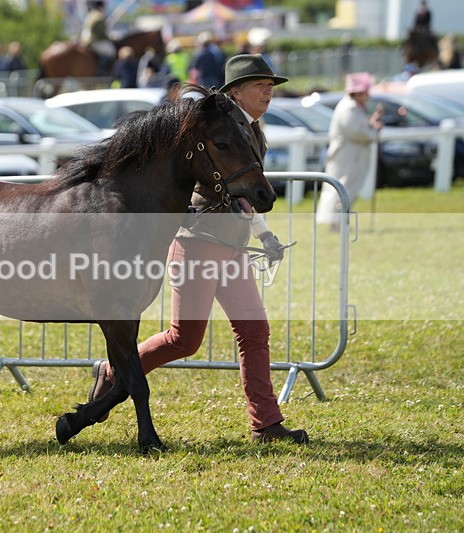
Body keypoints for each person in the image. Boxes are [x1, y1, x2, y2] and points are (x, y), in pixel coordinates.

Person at [87, 54, 308, 444]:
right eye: (260, 85)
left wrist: (264, 234)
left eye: (271, 85)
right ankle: (112, 370)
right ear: (236, 91)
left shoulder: (254, 131)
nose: (269, 91)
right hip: (200, 244)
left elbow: (244, 193)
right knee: (184, 340)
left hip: (233, 247)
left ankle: (266, 424)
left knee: (254, 331)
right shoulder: (211, 127)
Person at [316, 72, 383, 230]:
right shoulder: (349, 107)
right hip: (348, 156)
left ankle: (338, 223)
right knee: (344, 187)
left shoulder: (353, 107)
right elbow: (355, 132)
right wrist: (374, 132)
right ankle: (337, 223)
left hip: (352, 155)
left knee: (347, 187)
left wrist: (371, 124)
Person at [81, 0, 115, 75]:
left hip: (86, 39)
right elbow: (101, 32)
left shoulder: (90, 14)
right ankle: (103, 70)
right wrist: (110, 38)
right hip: (95, 40)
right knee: (111, 51)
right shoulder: (99, 16)